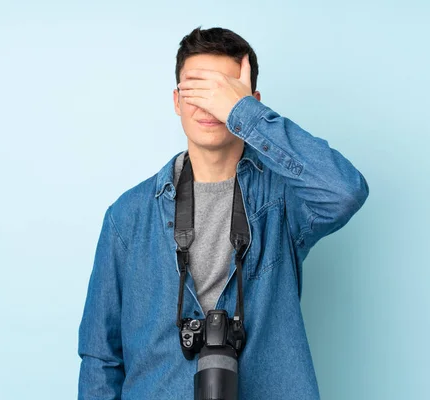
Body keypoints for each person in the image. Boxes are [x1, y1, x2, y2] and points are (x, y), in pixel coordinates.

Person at [77, 26, 369, 399]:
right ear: (177, 101)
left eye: (222, 93)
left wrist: (244, 113)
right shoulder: (128, 216)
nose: (208, 106)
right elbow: (101, 357)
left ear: (251, 100)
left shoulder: (281, 201)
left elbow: (344, 192)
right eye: (196, 91)